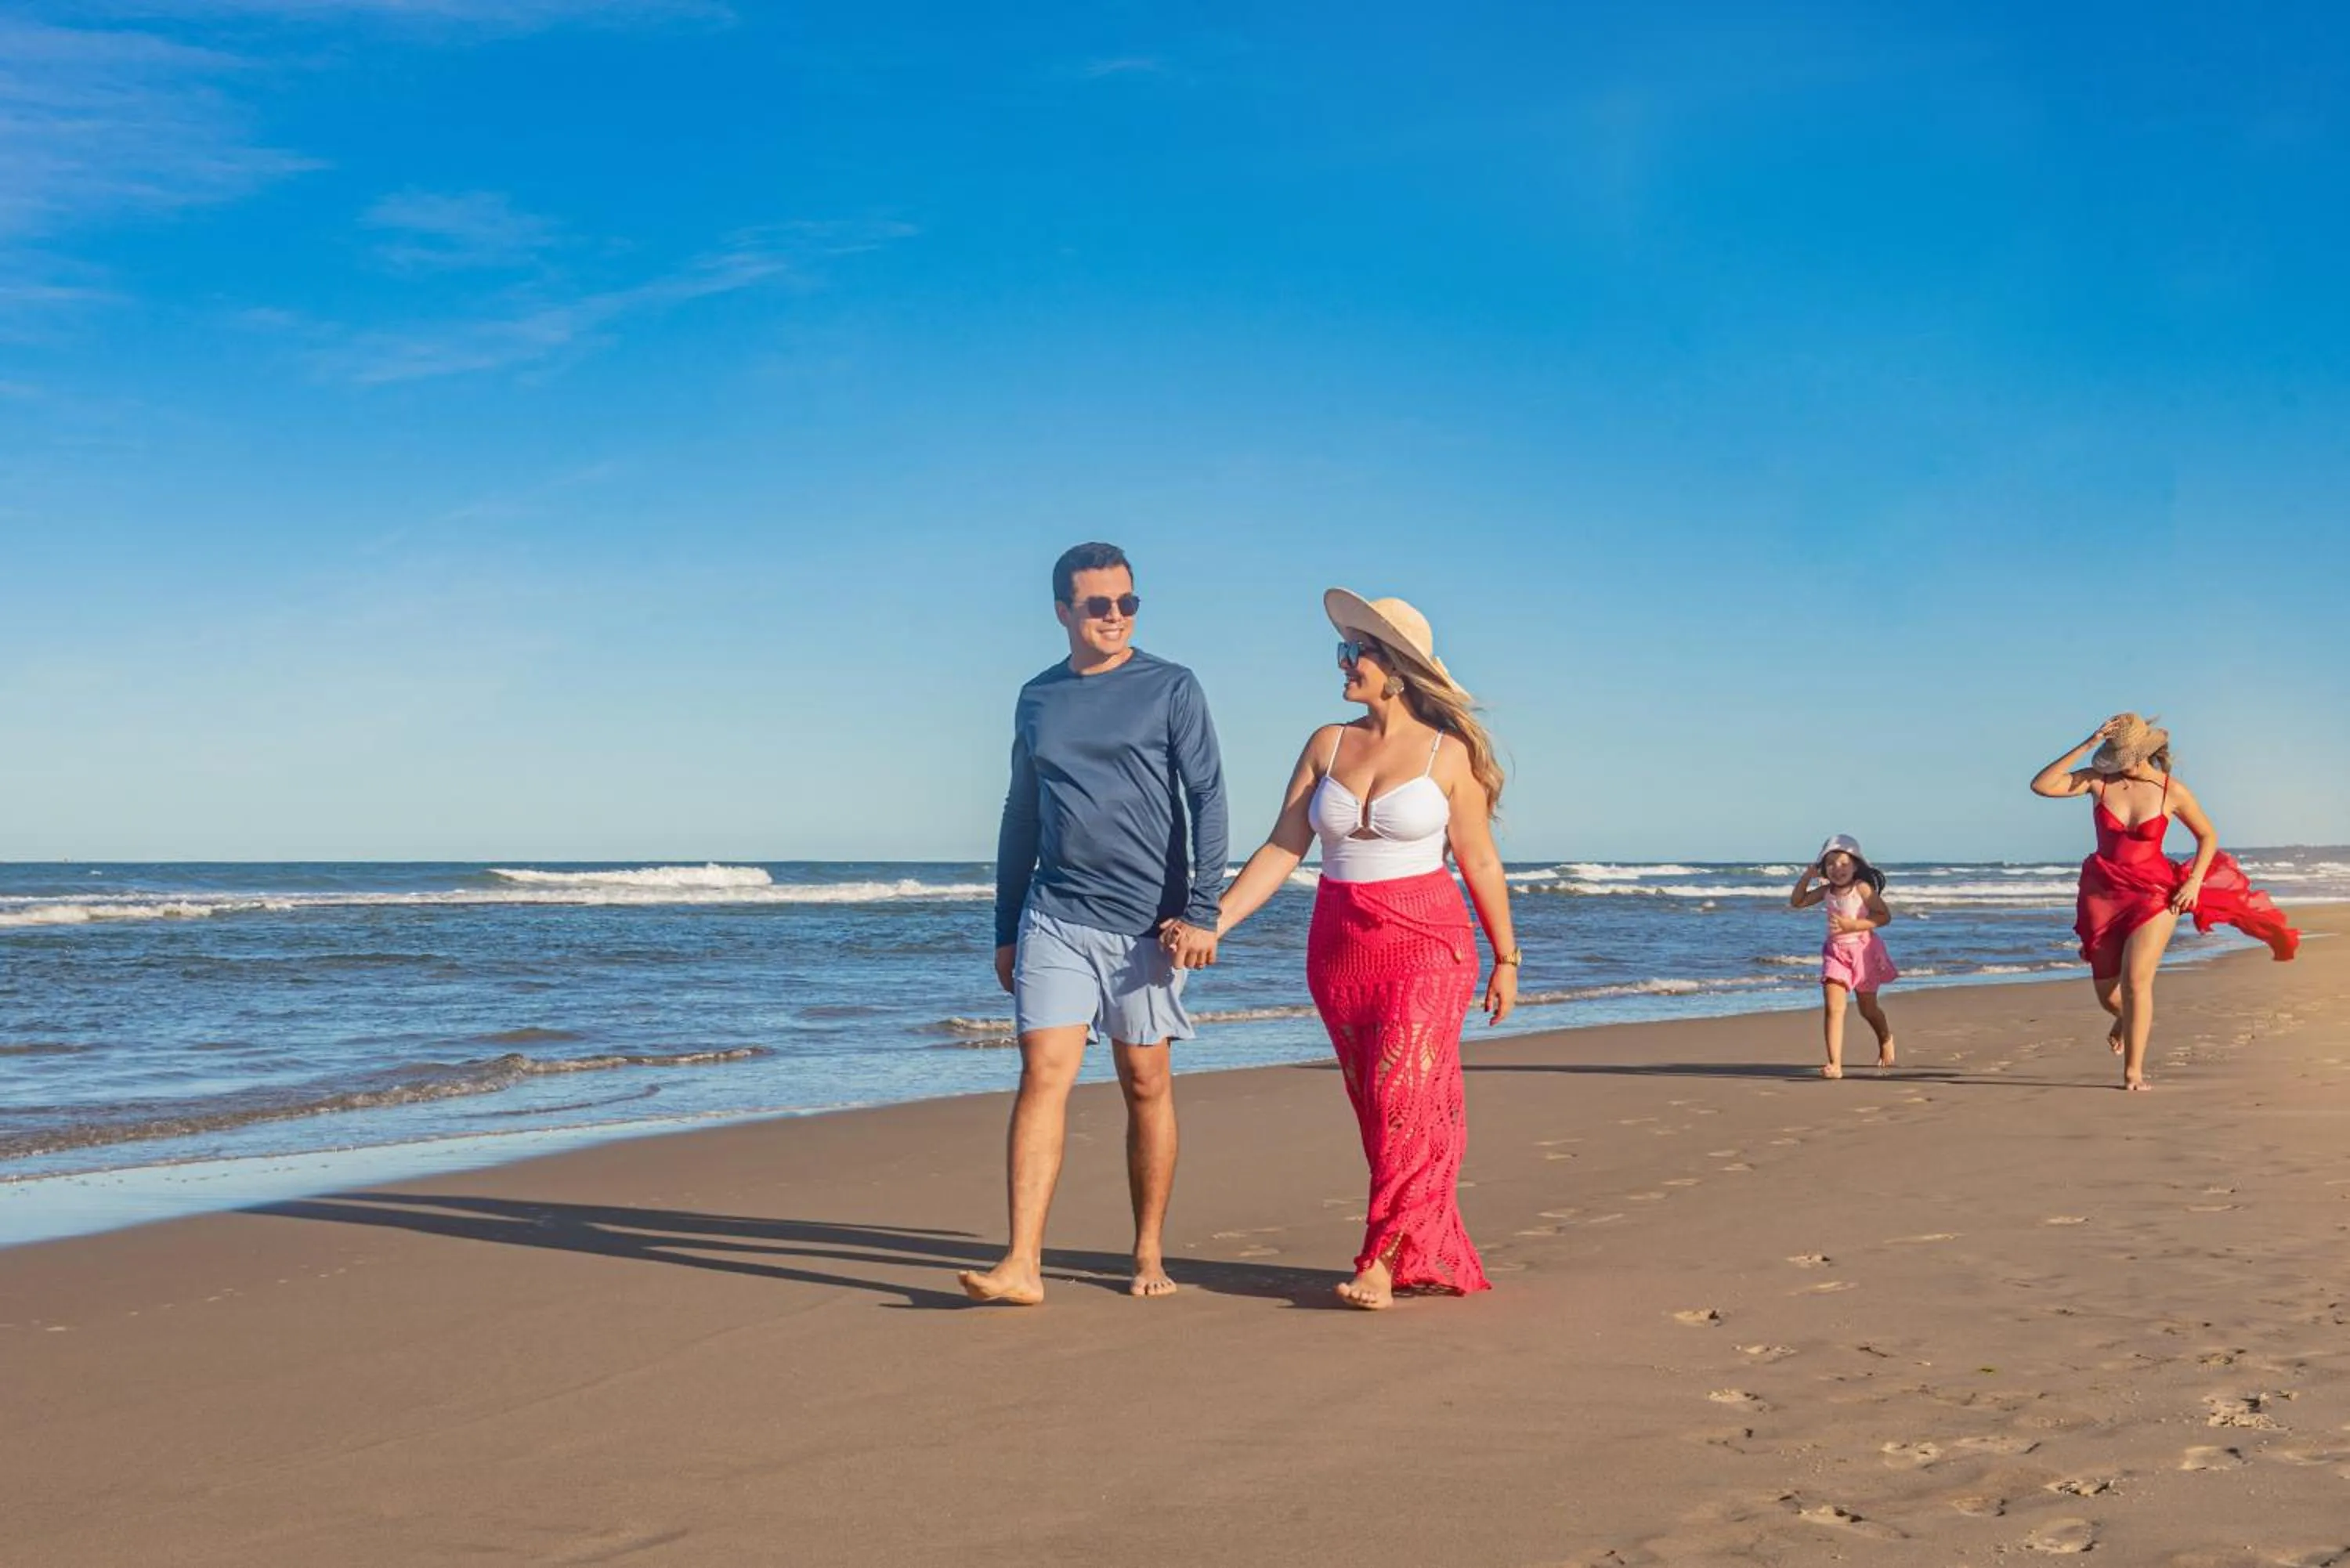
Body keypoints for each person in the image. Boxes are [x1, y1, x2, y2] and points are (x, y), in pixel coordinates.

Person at [1189, 589, 1516, 1310]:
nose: (1342, 664)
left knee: (1405, 1094)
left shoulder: (1448, 753)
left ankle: (1379, 1258)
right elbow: (1284, 847)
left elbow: (1480, 861)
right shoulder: (1326, 743)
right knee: (1380, 1105)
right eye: (1342, 652)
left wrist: (1507, 958)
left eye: (1354, 652)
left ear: (1395, 666)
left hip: (1430, 940)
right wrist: (1215, 921)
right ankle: (1419, 1241)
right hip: (1339, 944)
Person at [959, 542, 1227, 1304]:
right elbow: (1020, 812)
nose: (1115, 616)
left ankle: (1147, 1251)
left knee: (1144, 1081)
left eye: (1127, 603)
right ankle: (1022, 1264)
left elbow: (1206, 796)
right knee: (1043, 1073)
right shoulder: (1037, 698)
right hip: (1056, 912)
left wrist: (1203, 908)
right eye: (1098, 605)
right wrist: (1007, 925)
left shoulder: (1171, 686)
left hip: (1147, 921)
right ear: (1062, 613)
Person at [2030, 713, 2299, 1091]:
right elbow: (2041, 785)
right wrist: (2088, 745)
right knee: (2108, 994)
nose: (2124, 765)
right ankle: (2124, 1019)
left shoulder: (2173, 790)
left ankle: (2133, 1072)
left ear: (2146, 753)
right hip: (2102, 893)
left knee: (2136, 982)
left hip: (2156, 893)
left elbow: (2207, 836)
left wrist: (2193, 882)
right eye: (2117, 758)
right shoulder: (2098, 781)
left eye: (2129, 758)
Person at [1788, 835, 1897, 1078]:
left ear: (1856, 865)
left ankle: (1885, 1037)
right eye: (1831, 864)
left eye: (1844, 863)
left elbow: (1884, 916)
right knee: (1833, 1008)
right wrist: (1806, 878)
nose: (1838, 869)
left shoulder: (1862, 888)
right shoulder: (1826, 890)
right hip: (1835, 954)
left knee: (1867, 1009)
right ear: (1823, 869)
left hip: (1863, 952)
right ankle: (1834, 1064)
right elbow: (1798, 902)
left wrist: (1854, 925)